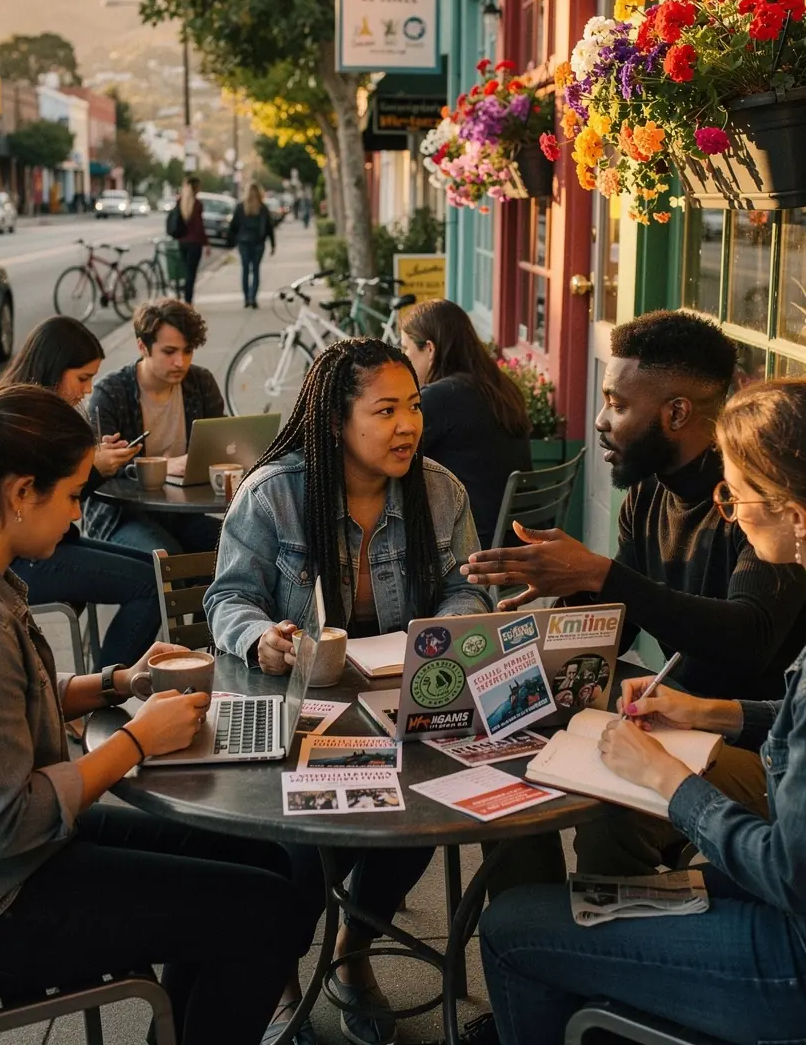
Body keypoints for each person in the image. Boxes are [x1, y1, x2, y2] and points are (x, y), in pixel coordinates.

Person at [479, 376, 806, 1045]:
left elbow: (785, 872)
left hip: (790, 956)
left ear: (795, 513)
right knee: (615, 892)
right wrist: (713, 713)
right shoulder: (646, 501)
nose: (732, 509)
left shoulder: (765, 564)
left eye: (738, 494)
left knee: (511, 927)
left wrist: (669, 781)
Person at [0, 383, 308, 1045]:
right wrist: (136, 740)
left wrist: (117, 681)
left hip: (24, 861)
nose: (78, 516)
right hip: (7, 902)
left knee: (268, 860)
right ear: (22, 493)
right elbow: (12, 824)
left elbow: (14, 701)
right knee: (264, 909)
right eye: (75, 495)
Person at [205, 337, 491, 1045]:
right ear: (336, 421)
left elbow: (468, 590)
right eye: (385, 410)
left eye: (414, 407)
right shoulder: (274, 493)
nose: (407, 426)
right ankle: (276, 973)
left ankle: (351, 952)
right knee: (301, 849)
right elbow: (227, 600)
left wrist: (438, 635)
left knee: (424, 813)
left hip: (400, 705)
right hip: (294, 709)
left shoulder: (438, 491)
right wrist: (260, 636)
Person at [463, 310, 806, 874]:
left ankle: (592, 944)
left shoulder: (760, 506)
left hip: (754, 748)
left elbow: (749, 638)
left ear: (676, 412)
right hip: (676, 714)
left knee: (612, 818)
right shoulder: (646, 495)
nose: (600, 420)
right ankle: (544, 933)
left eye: (617, 404)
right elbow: (618, 623)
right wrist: (560, 593)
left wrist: (599, 573)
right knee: (514, 771)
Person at [0, 317, 161, 664]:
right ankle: (103, 696)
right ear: (54, 368)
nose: (88, 390)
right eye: (83, 378)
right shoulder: (22, 421)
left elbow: (51, 500)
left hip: (49, 544)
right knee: (151, 584)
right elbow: (42, 503)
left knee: (158, 570)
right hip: (24, 559)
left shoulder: (30, 413)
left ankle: (105, 684)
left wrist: (87, 466)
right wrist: (94, 470)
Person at [84, 298, 224, 556]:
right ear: (142, 347)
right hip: (121, 516)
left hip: (180, 513)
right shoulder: (111, 393)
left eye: (188, 351)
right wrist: (164, 466)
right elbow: (101, 469)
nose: (180, 362)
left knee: (240, 542)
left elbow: (222, 446)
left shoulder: (201, 383)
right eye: (169, 352)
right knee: (167, 558)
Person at [401, 299, 532, 549]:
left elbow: (389, 457)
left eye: (406, 349)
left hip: (470, 544)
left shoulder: (440, 397)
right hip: (513, 539)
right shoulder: (501, 387)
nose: (403, 358)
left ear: (429, 349)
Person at [228, 181, 275, 308]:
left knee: (244, 270)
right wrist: (273, 244)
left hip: (243, 242)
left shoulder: (240, 207)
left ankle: (246, 298)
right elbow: (269, 227)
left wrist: (234, 240)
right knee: (255, 270)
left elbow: (233, 226)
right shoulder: (262, 208)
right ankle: (252, 297)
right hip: (258, 243)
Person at [177, 176, 210, 303]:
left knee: (186, 271)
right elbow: (200, 226)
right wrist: (206, 243)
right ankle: (188, 300)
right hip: (194, 243)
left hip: (182, 242)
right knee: (191, 273)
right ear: (195, 188)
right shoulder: (197, 204)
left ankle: (185, 296)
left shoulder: (180, 202)